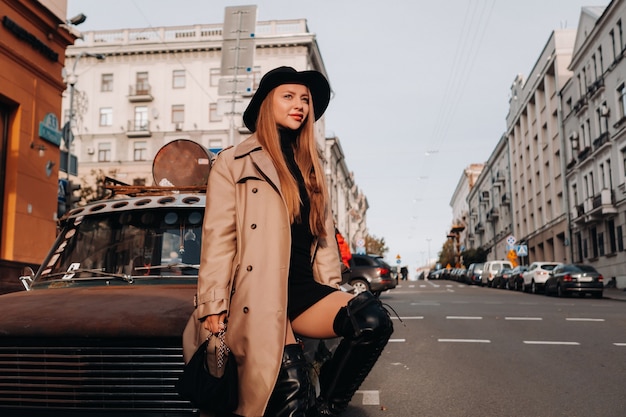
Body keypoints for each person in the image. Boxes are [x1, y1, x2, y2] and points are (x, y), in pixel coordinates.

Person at [193, 66, 393, 417]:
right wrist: (213, 303)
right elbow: (219, 237)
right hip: (258, 294)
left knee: (372, 321)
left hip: (301, 290)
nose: (299, 104)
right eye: (288, 96)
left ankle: (326, 408)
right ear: (266, 104)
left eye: (305, 99)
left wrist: (332, 289)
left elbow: (325, 241)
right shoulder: (233, 162)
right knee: (291, 391)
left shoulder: (310, 169)